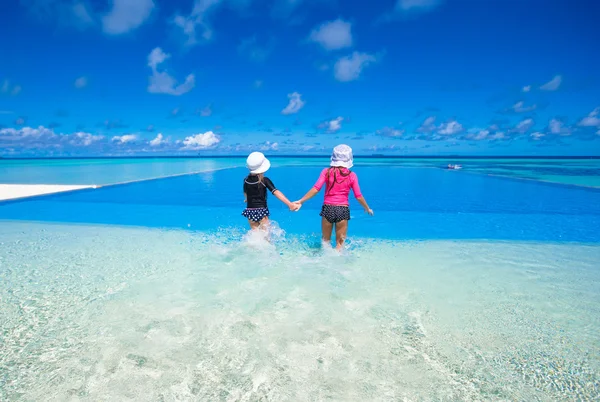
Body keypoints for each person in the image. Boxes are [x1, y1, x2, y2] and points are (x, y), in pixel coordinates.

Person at [295, 144, 373, 250]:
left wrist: (301, 201)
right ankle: (339, 265)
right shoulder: (352, 175)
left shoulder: (326, 172)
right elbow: (358, 196)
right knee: (340, 244)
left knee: (325, 242)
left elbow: (316, 189)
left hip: (328, 209)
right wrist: (367, 208)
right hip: (343, 210)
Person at [242, 151, 299, 230]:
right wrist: (290, 204)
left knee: (255, 235)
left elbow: (246, 193)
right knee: (266, 237)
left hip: (249, 211)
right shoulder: (264, 180)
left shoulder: (246, 180)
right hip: (262, 211)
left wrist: (247, 199)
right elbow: (276, 192)